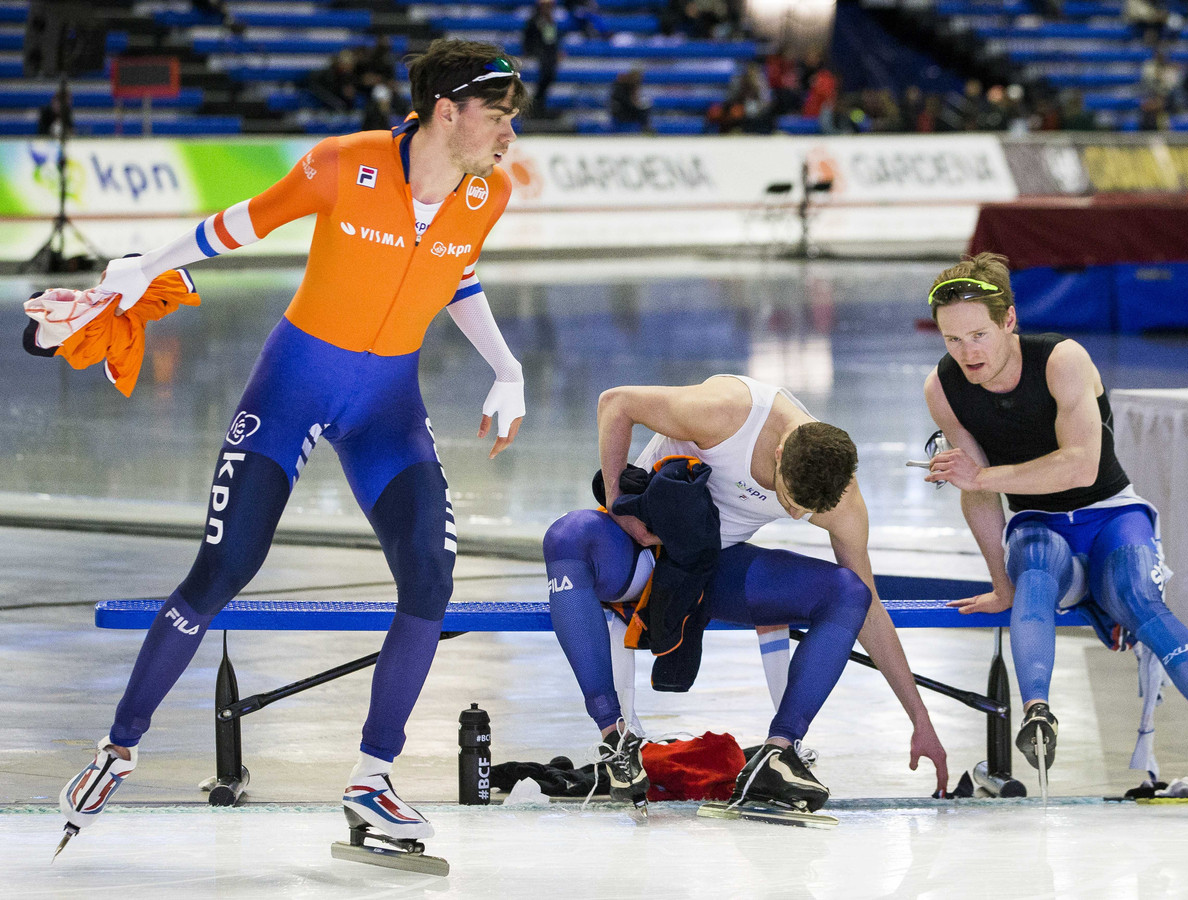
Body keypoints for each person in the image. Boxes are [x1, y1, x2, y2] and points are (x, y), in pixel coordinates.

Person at [46, 39, 527, 852]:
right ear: (448, 111)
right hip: (294, 386)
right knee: (224, 569)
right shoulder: (347, 164)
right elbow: (240, 223)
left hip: (387, 406)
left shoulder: (489, 191)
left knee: (431, 576)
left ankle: (372, 777)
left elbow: (458, 274)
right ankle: (118, 748)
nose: (511, 133)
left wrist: (507, 366)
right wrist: (143, 269)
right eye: (499, 115)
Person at [920, 252, 1188, 803]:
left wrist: (985, 473)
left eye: (978, 335)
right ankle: (1038, 713)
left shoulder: (1063, 360)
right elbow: (977, 492)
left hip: (1111, 510)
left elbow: (1081, 464)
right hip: (1039, 521)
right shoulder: (942, 388)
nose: (967, 353)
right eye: (952, 341)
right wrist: (1001, 583)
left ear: (1010, 321)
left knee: (1139, 596)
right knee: (1032, 576)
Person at [543, 375, 949, 814]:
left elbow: (870, 610)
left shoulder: (841, 497)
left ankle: (778, 753)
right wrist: (620, 507)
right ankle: (615, 739)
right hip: (640, 552)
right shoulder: (728, 411)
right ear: (779, 453)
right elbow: (614, 402)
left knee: (849, 592)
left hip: (711, 568)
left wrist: (919, 717)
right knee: (568, 536)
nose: (795, 513)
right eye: (790, 499)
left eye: (808, 511)